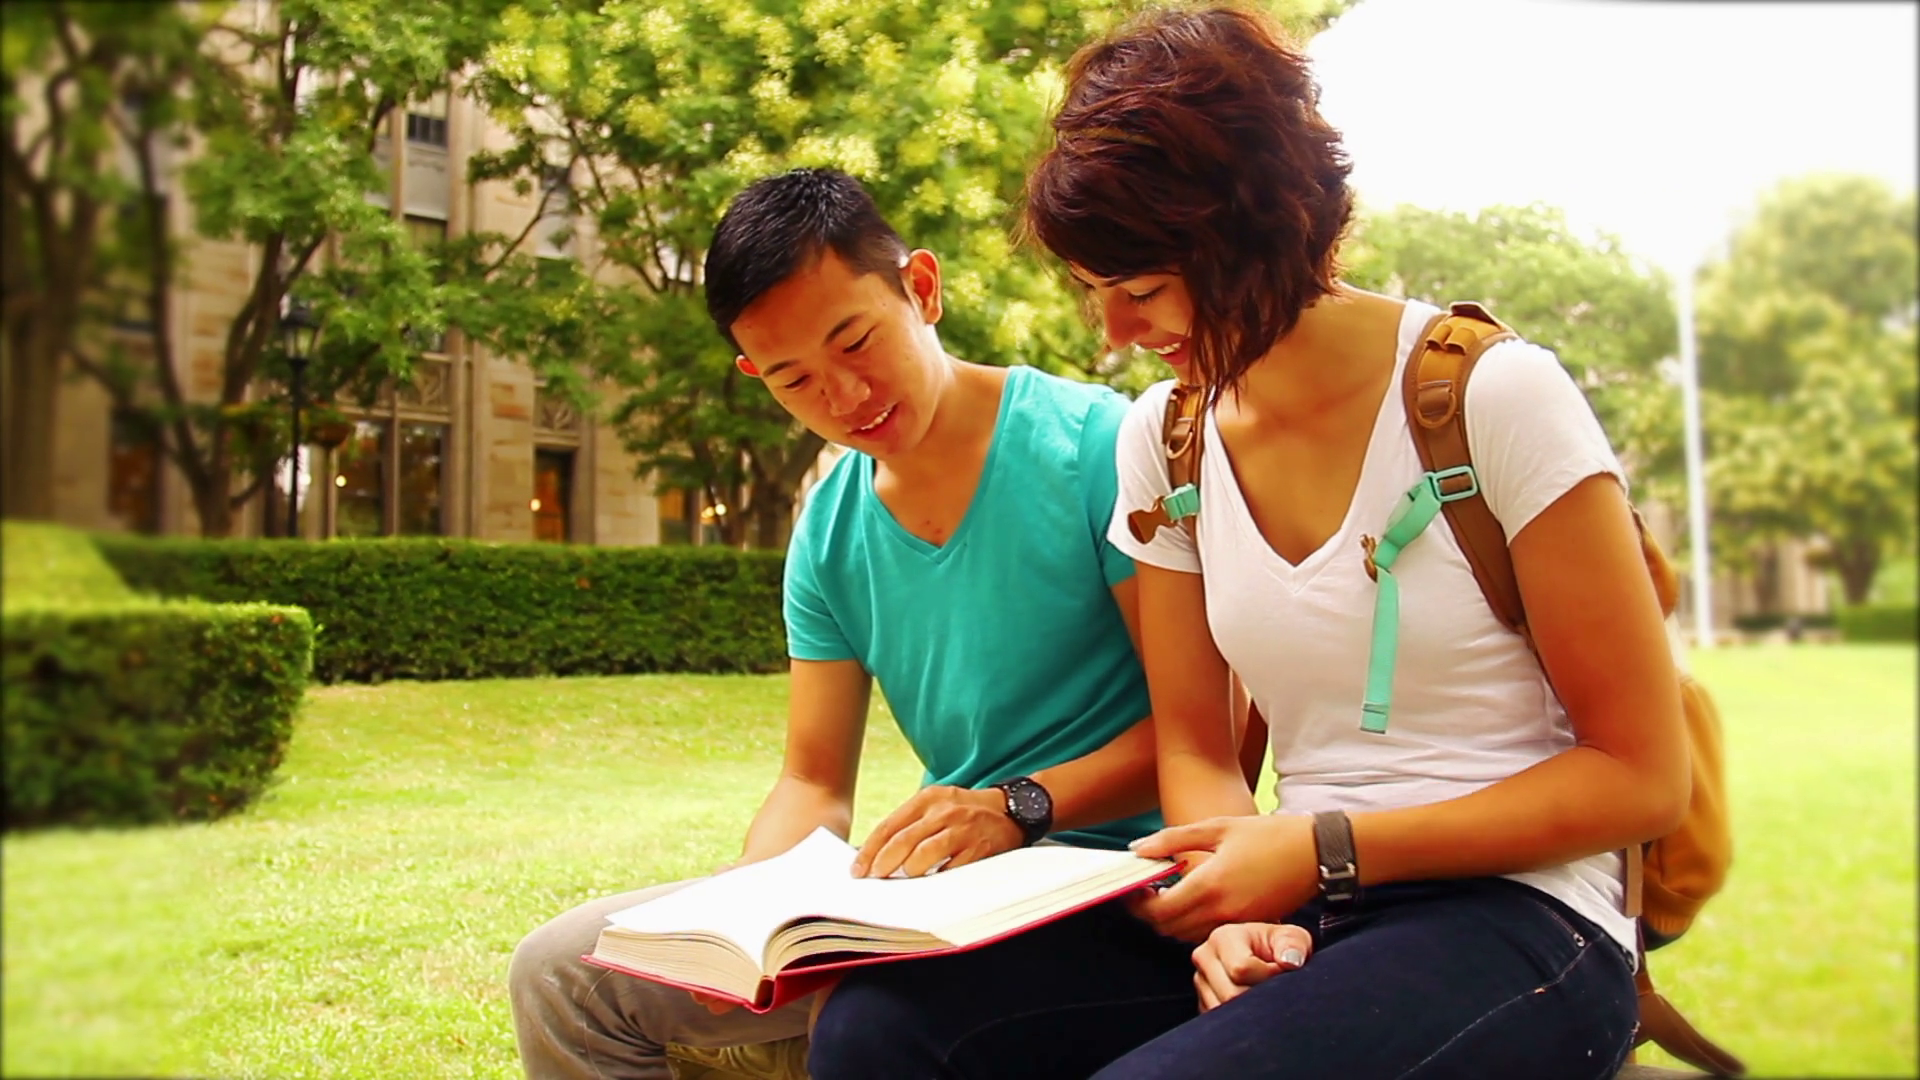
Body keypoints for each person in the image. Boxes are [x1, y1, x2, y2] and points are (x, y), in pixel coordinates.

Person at [1019, 6, 1692, 1079]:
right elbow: (1196, 749)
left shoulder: (1492, 396)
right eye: (1095, 293)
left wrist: (1323, 850)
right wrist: (1235, 914)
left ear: (1256, 234)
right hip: (1301, 898)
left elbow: (1643, 778)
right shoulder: (1167, 438)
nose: (1116, 333)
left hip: (1525, 913)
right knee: (888, 1029)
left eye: (1140, 291)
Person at [509, 167, 1212, 1080]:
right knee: (560, 977)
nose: (844, 397)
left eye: (856, 342)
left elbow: (1206, 734)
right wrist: (752, 910)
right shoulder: (829, 529)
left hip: (1119, 885)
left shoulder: (1097, 446)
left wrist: (1018, 806)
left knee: (871, 1020)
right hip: (940, 893)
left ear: (921, 288)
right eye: (794, 379)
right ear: (755, 375)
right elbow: (812, 779)